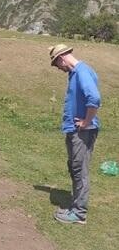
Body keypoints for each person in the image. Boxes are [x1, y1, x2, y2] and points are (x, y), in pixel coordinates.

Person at [49, 44, 101, 225]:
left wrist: (86, 122)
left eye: (57, 64)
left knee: (80, 170)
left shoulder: (82, 72)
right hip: (74, 130)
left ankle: (79, 213)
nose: (59, 69)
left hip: (82, 132)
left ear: (61, 58)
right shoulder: (76, 73)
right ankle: (76, 205)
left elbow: (94, 98)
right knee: (74, 167)